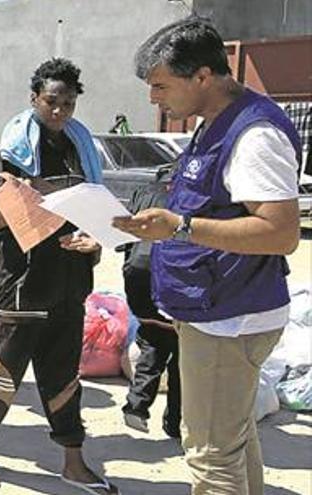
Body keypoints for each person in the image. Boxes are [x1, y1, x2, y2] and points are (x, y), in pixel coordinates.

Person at [113, 18, 302, 495]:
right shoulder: (212, 122)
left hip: (229, 320)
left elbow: (280, 233)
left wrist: (183, 227)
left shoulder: (253, 134)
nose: (153, 98)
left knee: (210, 455)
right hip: (213, 310)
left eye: (160, 85)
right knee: (233, 442)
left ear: (202, 76)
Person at [0, 59, 117, 493]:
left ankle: (73, 461)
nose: (60, 110)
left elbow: (96, 209)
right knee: (3, 376)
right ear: (34, 99)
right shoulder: (13, 153)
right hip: (24, 284)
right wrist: (23, 197)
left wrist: (94, 239)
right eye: (51, 101)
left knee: (64, 376)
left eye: (68, 103)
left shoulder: (81, 149)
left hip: (71, 280)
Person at [120, 165, 181, 439]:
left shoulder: (142, 192)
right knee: (182, 354)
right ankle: (175, 422)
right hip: (171, 279)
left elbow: (124, 238)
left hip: (137, 278)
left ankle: (136, 406)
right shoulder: (189, 196)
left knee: (152, 340)